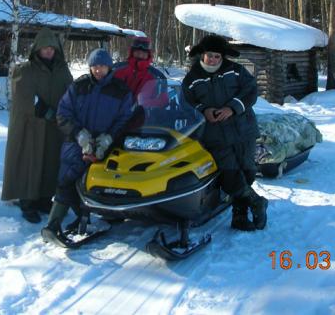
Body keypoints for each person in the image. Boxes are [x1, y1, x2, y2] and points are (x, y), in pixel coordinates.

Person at [41, 48, 133, 242]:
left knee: (95, 182)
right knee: (66, 178)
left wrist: (109, 137)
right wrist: (79, 134)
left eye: (102, 66)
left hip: (106, 144)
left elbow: (125, 119)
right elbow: (63, 113)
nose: (98, 70)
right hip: (77, 141)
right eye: (94, 66)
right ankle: (54, 223)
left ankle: (97, 214)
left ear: (109, 67)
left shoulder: (121, 90)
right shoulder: (79, 86)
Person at [182, 34, 268, 231]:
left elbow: (251, 91)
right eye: (209, 55)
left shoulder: (236, 71)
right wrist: (204, 110)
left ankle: (239, 216)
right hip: (214, 135)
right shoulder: (192, 78)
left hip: (243, 129)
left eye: (216, 56)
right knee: (229, 175)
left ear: (222, 57)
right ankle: (257, 202)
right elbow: (187, 103)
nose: (212, 60)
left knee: (246, 172)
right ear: (202, 55)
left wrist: (232, 108)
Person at [2, 28, 73, 223]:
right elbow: (22, 99)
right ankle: (27, 202)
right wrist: (43, 110)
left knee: (51, 163)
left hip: (54, 127)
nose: (49, 51)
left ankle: (43, 200)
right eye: (45, 48)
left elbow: (70, 93)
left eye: (52, 48)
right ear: (37, 49)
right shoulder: (25, 70)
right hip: (30, 128)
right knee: (30, 163)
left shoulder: (63, 70)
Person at [113, 36, 168, 108]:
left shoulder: (157, 76)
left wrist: (147, 104)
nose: (140, 54)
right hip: (117, 114)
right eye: (137, 52)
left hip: (143, 116)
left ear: (148, 54)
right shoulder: (117, 69)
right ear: (132, 52)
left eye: (144, 52)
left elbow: (162, 102)